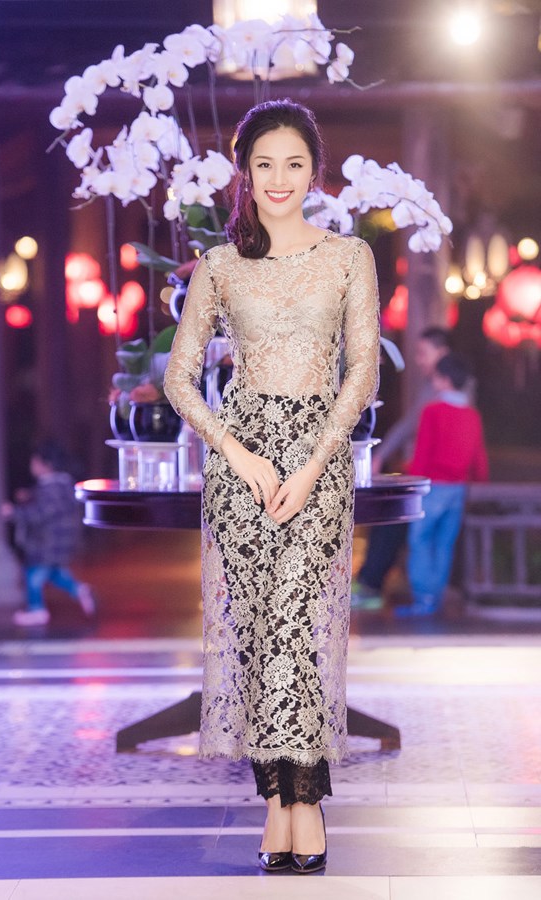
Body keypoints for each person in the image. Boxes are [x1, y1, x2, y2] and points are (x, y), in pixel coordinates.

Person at [164, 99, 380, 874]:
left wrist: (316, 461)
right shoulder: (220, 267)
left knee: (297, 623)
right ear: (245, 173)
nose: (278, 178)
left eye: (293, 163)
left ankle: (305, 802)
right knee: (259, 632)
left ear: (314, 171)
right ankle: (274, 801)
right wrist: (236, 452)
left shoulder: (349, 257)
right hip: (241, 464)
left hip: (318, 459)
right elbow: (180, 378)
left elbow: (363, 369)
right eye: (264, 165)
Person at [352, 326, 452, 607]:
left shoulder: (443, 390)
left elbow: (412, 427)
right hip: (428, 474)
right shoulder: (434, 387)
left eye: (423, 353)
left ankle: (376, 586)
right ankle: (373, 583)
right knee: (393, 522)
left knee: (397, 524)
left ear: (442, 352)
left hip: (435, 477)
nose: (418, 360)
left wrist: (382, 455)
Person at [397, 352, 488, 616]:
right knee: (444, 544)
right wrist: (481, 481)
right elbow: (478, 456)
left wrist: (412, 482)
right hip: (458, 488)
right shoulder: (472, 414)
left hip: (432, 487)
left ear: (445, 379)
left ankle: (423, 597)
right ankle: (434, 598)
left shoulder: (433, 411)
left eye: (436, 377)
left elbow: (423, 452)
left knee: (420, 540)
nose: (434, 382)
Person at [3, 440, 96, 626]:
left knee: (33, 574)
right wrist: (30, 495)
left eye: (35, 462)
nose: (32, 466)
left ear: (46, 465)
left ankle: (37, 609)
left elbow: (40, 513)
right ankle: (79, 590)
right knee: (54, 573)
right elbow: (50, 504)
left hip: (46, 542)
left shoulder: (50, 489)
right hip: (61, 541)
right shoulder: (62, 485)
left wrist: (14, 512)